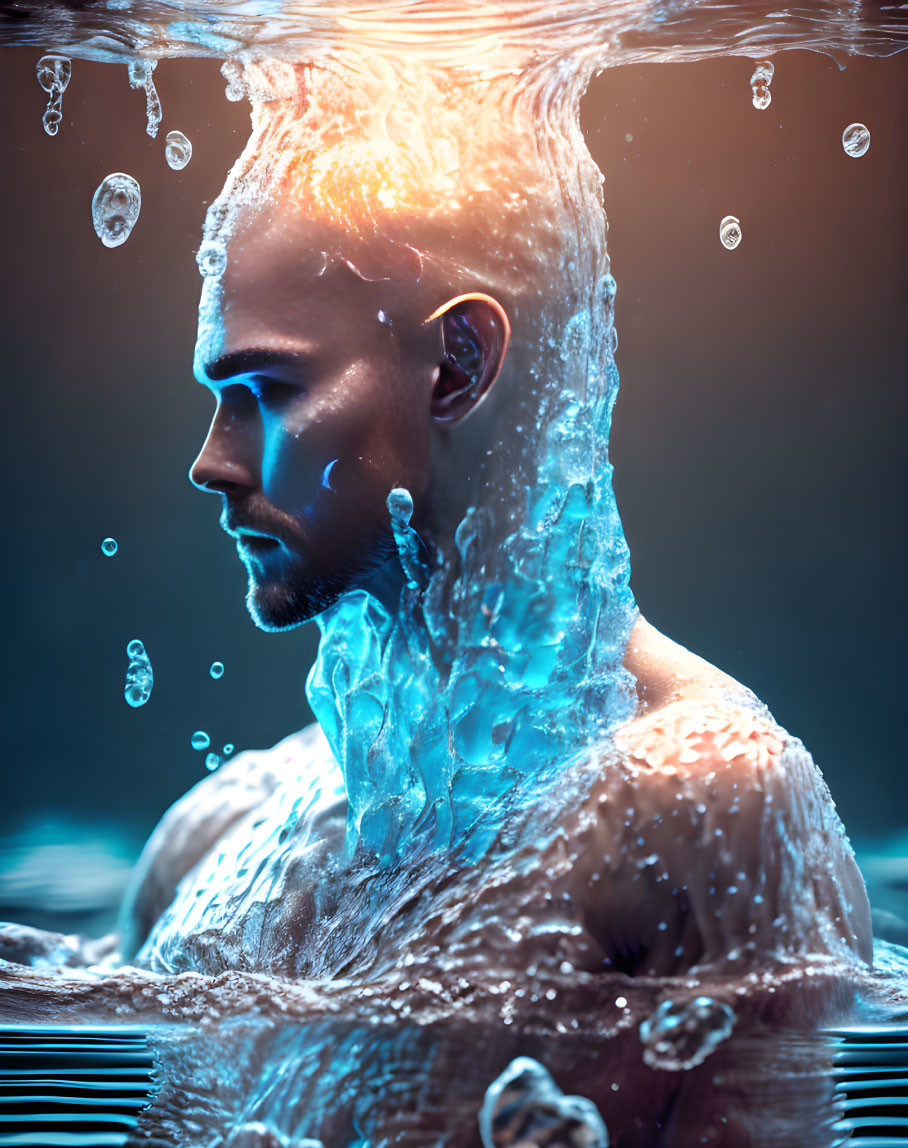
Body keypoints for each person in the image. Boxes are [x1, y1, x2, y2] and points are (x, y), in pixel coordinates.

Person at [114, 55, 871, 982]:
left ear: (458, 363)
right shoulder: (214, 835)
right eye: (218, 395)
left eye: (268, 389)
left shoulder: (705, 809)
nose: (211, 461)